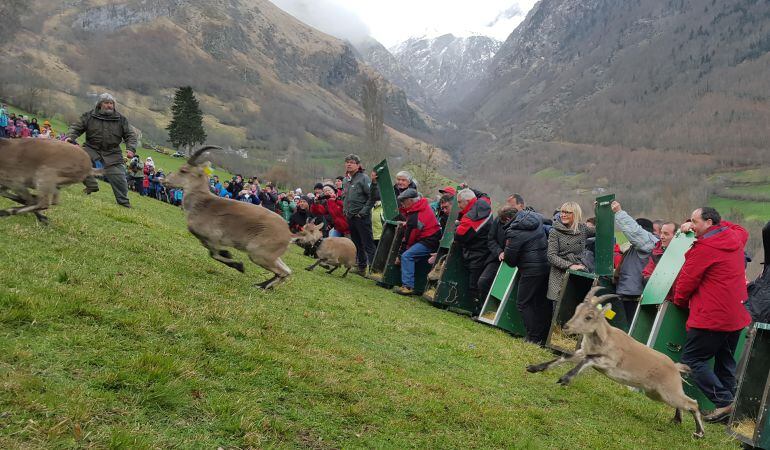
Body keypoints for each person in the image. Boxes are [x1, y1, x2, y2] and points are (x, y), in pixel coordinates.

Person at [674, 207, 751, 423]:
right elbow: (739, 228)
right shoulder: (734, 237)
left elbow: (687, 281)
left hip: (713, 316)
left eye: (695, 221)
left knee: (692, 360)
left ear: (708, 223)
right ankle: (734, 414)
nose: (692, 225)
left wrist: (679, 302)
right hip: (736, 315)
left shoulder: (705, 247)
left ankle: (724, 402)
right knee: (725, 361)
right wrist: (700, 223)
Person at [66, 93, 137, 207]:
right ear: (100, 104)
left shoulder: (121, 119)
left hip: (112, 153)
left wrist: (131, 149)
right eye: (106, 103)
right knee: (77, 160)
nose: (109, 106)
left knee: (120, 179)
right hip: (91, 148)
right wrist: (70, 137)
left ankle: (124, 203)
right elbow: (76, 127)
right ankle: (91, 185)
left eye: (111, 103)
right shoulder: (89, 116)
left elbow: (130, 135)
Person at [504, 205, 552, 345]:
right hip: (546, 266)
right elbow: (550, 223)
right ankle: (542, 335)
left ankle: (533, 337)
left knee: (523, 303)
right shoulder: (536, 217)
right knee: (540, 303)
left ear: (507, 219)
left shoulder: (514, 231)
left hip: (530, 270)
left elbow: (510, 260)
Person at [612, 200, 659, 326]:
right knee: (617, 321)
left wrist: (619, 213)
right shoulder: (633, 248)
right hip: (626, 295)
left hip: (635, 297)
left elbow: (634, 232)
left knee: (631, 329)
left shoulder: (647, 245)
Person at [394, 189, 442, 296]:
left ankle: (407, 287)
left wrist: (400, 254)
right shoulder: (422, 206)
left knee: (407, 256)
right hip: (433, 237)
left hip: (429, 241)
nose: (402, 204)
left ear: (411, 201)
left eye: (404, 202)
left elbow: (409, 239)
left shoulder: (414, 216)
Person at [453, 188, 493, 314]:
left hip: (476, 252)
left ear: (468, 201)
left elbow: (459, 236)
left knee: (474, 284)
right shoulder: (484, 204)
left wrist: (457, 226)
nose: (458, 206)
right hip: (484, 249)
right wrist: (468, 187)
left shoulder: (471, 217)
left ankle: (478, 311)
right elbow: (484, 194)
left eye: (460, 202)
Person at [546, 202, 594, 302]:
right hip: (560, 275)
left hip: (578, 273)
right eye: (562, 212)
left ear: (575, 214)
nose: (563, 215)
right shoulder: (555, 232)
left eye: (567, 212)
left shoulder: (582, 229)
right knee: (560, 310)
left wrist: (598, 210)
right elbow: (551, 256)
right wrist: (570, 265)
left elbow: (602, 230)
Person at [342, 154, 376, 274]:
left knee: (368, 244)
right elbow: (345, 197)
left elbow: (372, 197)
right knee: (356, 243)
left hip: (362, 217)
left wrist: (363, 212)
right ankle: (361, 267)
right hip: (350, 216)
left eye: (352, 162)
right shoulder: (346, 180)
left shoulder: (364, 178)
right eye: (347, 162)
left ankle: (374, 270)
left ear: (358, 165)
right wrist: (345, 211)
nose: (349, 164)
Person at [478, 206, 518, 301]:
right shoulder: (498, 220)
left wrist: (508, 253)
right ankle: (481, 309)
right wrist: (499, 252)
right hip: (496, 258)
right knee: (483, 282)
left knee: (503, 289)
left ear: (509, 219)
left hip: (513, 263)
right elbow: (491, 239)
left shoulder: (521, 224)